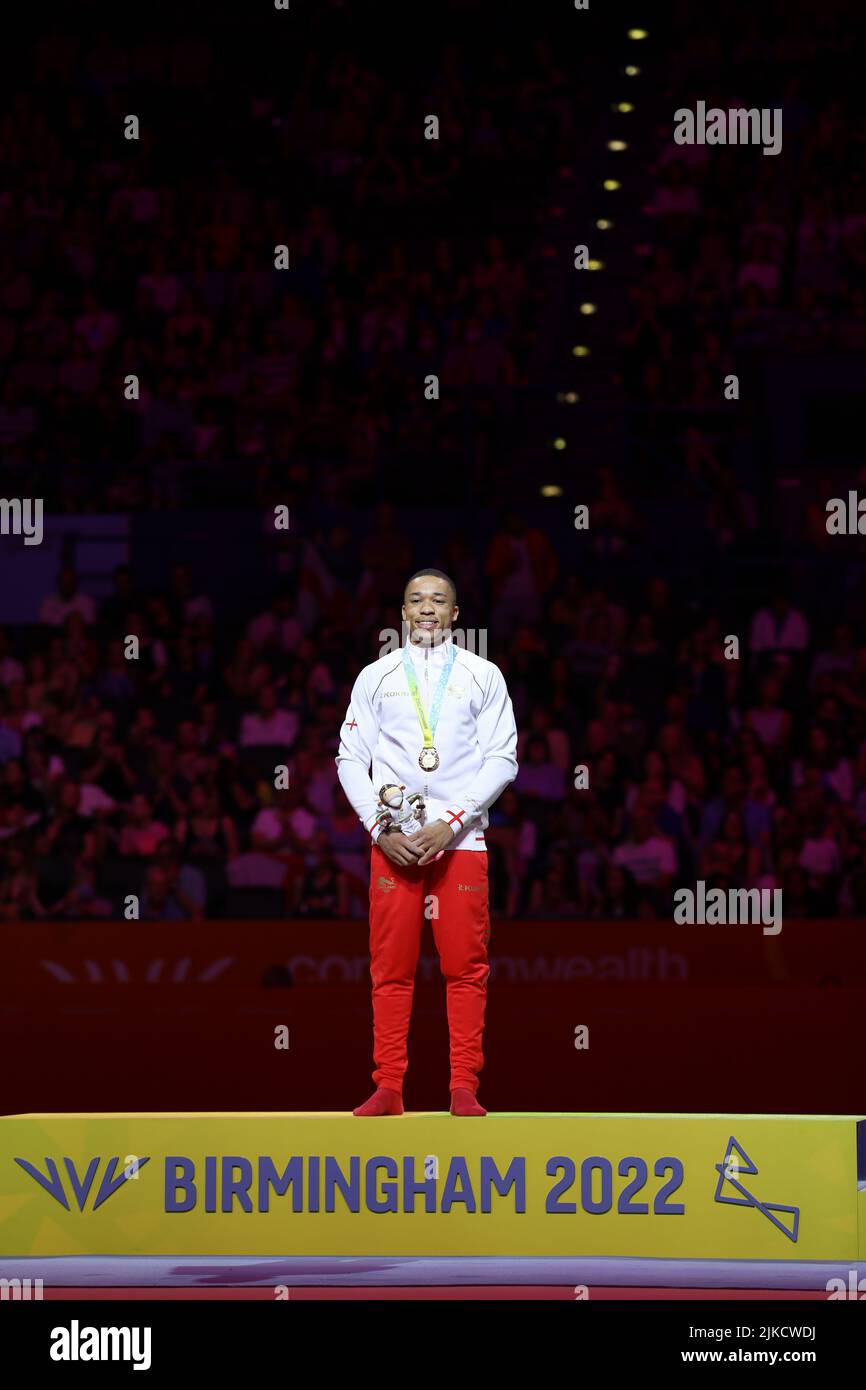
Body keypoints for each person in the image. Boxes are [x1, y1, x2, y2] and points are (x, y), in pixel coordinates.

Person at [336, 568, 517, 1117]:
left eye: (439, 600)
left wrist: (454, 820)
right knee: (390, 967)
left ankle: (464, 1085)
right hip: (394, 841)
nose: (428, 609)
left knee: (465, 966)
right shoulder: (376, 676)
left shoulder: (483, 675)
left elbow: (502, 759)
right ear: (403, 613)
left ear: (456, 614)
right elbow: (349, 759)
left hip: (461, 841)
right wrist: (379, 829)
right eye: (417, 600)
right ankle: (389, 1086)